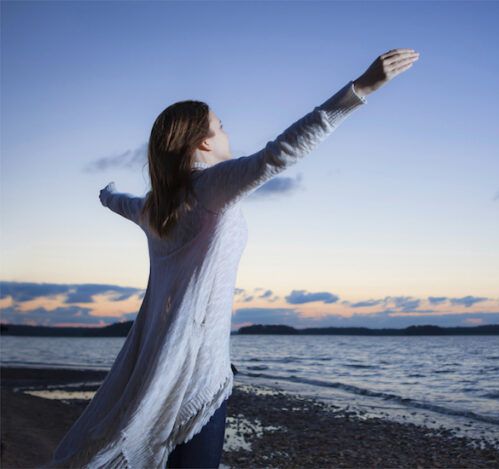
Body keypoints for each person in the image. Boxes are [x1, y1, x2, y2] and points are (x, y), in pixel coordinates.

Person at [43, 48, 419, 469]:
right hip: (199, 368)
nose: (227, 133)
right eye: (221, 127)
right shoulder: (210, 187)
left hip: (161, 363)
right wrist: (360, 89)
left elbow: (122, 203)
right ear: (203, 141)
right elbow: (279, 153)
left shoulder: (157, 206)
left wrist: (106, 195)